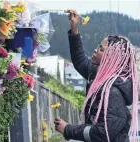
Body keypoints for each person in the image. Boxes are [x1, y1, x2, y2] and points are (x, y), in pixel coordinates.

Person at [54, 9, 139, 142]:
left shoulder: (113, 92)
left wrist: (68, 129)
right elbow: (80, 61)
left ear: (111, 57)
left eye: (101, 49)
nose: (95, 49)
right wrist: (74, 30)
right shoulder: (100, 76)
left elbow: (102, 133)